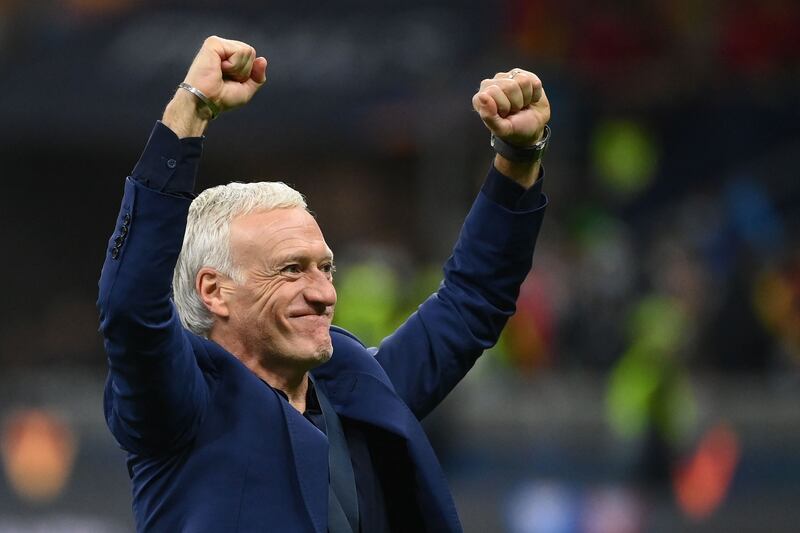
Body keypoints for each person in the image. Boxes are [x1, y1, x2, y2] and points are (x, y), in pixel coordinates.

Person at [98, 36, 551, 533]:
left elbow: (472, 301)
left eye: (325, 268)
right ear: (214, 291)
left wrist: (517, 159)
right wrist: (190, 109)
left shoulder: (355, 387)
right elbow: (130, 309)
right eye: (291, 270)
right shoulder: (180, 403)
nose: (323, 293)